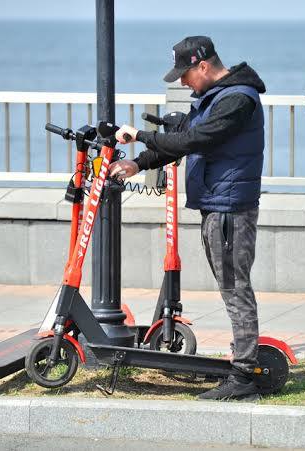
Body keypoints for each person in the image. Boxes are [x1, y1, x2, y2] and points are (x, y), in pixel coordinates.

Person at [110, 36, 266, 401]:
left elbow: (195, 141)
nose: (182, 82)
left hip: (230, 210)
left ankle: (244, 377)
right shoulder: (217, 97)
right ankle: (243, 364)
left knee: (234, 287)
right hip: (218, 204)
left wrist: (141, 136)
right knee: (232, 286)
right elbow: (182, 139)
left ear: (203, 66)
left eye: (185, 75)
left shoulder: (237, 99)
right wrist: (136, 163)